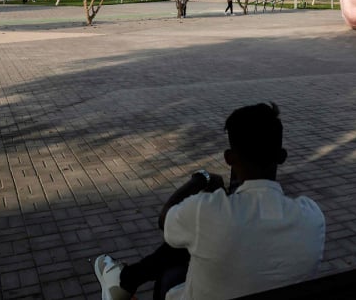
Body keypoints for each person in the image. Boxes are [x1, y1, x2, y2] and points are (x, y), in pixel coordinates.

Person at [92, 102, 325, 300]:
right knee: (204, 237)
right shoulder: (312, 217)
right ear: (282, 156)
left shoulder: (208, 211)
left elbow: (166, 220)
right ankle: (124, 281)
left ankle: (122, 281)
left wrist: (200, 179)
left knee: (187, 246)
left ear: (229, 158)